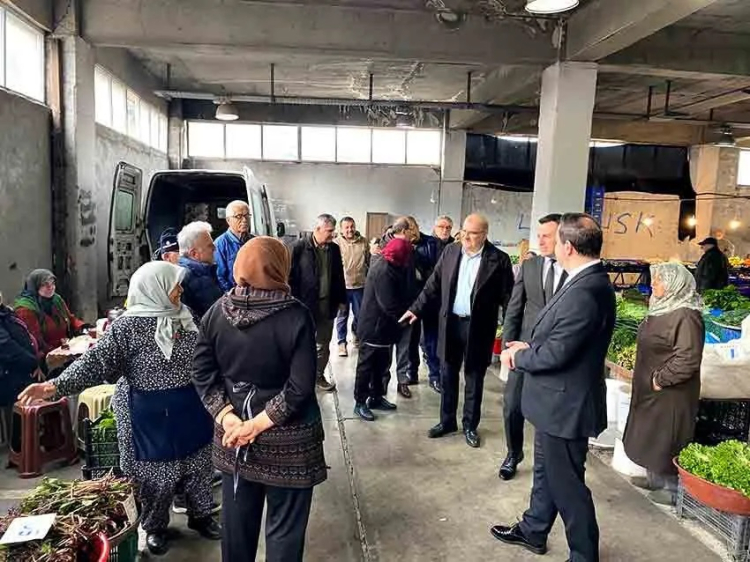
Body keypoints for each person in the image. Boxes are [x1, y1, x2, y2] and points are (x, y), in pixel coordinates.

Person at [19, 262, 220, 556]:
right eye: (174, 285)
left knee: (198, 464)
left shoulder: (186, 316)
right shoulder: (127, 327)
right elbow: (94, 363)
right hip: (147, 414)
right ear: (155, 289)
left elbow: (208, 353)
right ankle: (155, 526)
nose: (180, 290)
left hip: (189, 407)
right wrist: (53, 386)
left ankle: (201, 515)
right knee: (157, 474)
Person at [192, 237, 327, 562]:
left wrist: (228, 418)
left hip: (235, 443)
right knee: (284, 532)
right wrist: (258, 424)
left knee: (236, 528)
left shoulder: (216, 312)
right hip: (289, 447)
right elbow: (300, 387)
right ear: (280, 267)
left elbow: (201, 371)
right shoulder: (296, 315)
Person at [492, 213, 615, 562]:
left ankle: (583, 554)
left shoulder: (586, 292)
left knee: (568, 486)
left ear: (569, 247)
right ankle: (533, 529)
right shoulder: (583, 280)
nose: (550, 245)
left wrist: (519, 356)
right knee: (547, 474)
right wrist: (529, 346)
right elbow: (563, 339)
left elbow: (558, 353)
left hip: (565, 406)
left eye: (556, 239)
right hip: (554, 404)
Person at [401, 214, 514, 448]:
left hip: (478, 328)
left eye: (473, 233)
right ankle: (447, 421)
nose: (466, 237)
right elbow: (433, 284)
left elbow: (508, 299)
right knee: (447, 374)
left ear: (484, 235)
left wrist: (511, 335)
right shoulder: (451, 251)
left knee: (474, 378)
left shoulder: (498, 260)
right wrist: (415, 309)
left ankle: (470, 425)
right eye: (464, 231)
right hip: (450, 323)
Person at [623, 262, 704, 506]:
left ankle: (670, 489)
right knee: (650, 434)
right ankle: (654, 479)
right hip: (650, 388)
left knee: (667, 437)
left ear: (674, 285)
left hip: (670, 393)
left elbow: (688, 358)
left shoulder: (686, 316)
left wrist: (661, 379)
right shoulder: (662, 308)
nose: (654, 284)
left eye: (659, 280)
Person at [500, 214, 564, 481]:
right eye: (539, 236)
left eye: (547, 236)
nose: (541, 241)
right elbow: (514, 309)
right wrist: (507, 348)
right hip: (522, 350)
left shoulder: (573, 271)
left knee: (549, 412)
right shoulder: (530, 266)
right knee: (512, 406)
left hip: (555, 354)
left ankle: (547, 461)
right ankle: (513, 453)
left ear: (562, 237)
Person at [353, 238, 414, 421]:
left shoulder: (394, 265)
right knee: (366, 367)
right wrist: (407, 317)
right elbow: (389, 304)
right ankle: (360, 402)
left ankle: (376, 397)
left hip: (386, 329)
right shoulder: (383, 270)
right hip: (374, 328)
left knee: (381, 366)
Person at [289, 214, 347, 391]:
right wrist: (292, 303)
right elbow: (291, 277)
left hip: (327, 304)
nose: (332, 234)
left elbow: (339, 276)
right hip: (304, 305)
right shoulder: (299, 247)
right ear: (317, 229)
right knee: (302, 344)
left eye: (333, 230)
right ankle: (299, 379)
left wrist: (342, 299)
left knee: (323, 343)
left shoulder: (334, 249)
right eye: (329, 231)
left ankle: (318, 376)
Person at [376, 218, 420, 399]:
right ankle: (383, 382)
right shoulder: (382, 248)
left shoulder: (410, 249)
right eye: (411, 230)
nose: (414, 233)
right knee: (386, 349)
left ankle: (402, 381)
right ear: (404, 230)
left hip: (407, 306)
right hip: (387, 309)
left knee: (404, 348)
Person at [13, 269, 88, 366]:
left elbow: (70, 319)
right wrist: (57, 353)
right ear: (35, 286)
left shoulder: (56, 299)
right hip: (45, 357)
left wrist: (84, 328)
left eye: (52, 283)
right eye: (45, 284)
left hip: (65, 349)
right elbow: (36, 341)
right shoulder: (25, 309)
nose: (51, 287)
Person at [334, 217, 369, 357]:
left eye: (352, 226)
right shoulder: (336, 243)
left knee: (360, 316)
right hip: (342, 287)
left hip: (360, 286)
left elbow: (369, 261)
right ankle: (341, 343)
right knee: (342, 316)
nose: (350, 229)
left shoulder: (364, 242)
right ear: (341, 229)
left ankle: (356, 335)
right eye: (347, 227)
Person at [178, 221, 223, 320]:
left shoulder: (205, 271)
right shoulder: (186, 277)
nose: (215, 248)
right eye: (210, 246)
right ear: (194, 254)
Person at [0, 291, 38, 407]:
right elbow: (9, 349)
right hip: (8, 378)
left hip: (24, 370)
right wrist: (34, 363)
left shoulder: (6, 312)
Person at [215, 200, 254, 293]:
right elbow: (219, 277)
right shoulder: (219, 244)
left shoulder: (255, 241)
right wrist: (232, 294)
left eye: (247, 216)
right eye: (239, 216)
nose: (244, 220)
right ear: (228, 220)